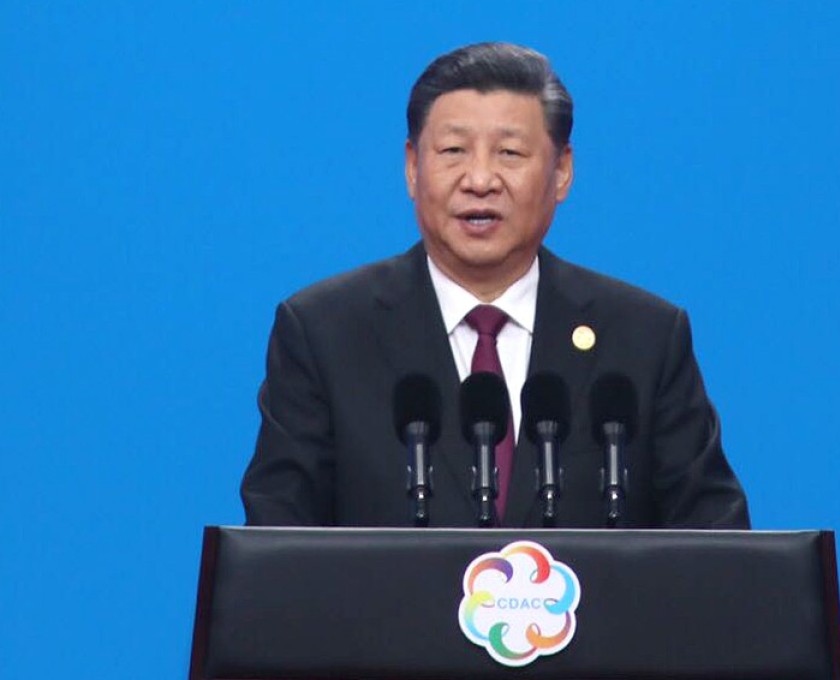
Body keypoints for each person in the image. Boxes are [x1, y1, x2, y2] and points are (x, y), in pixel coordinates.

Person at [241, 42, 749, 529]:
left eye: (509, 152)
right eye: (454, 150)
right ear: (413, 168)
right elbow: (277, 549)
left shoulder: (644, 338)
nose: (479, 179)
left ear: (562, 172)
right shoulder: (324, 333)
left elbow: (716, 550)